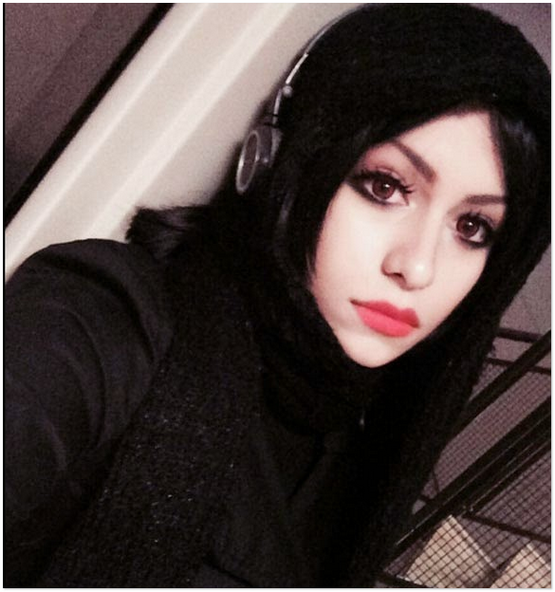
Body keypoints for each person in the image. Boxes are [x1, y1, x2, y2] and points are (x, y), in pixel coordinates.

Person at [5, 4, 550, 588]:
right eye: (385, 186)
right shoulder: (100, 321)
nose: (417, 267)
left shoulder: (360, 452)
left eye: (472, 227)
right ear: (283, 161)